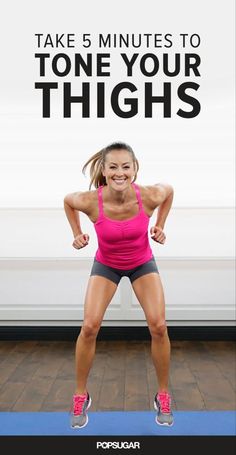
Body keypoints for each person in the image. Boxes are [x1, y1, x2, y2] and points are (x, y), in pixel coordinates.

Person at [63, 142, 174, 428]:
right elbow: (67, 200)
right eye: (113, 166)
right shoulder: (90, 200)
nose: (120, 172)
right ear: (104, 169)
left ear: (135, 169)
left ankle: (163, 394)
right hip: (107, 264)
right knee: (89, 326)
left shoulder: (149, 196)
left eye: (126, 166)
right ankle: (80, 395)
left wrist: (160, 225)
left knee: (159, 326)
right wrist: (77, 233)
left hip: (141, 262)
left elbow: (169, 191)